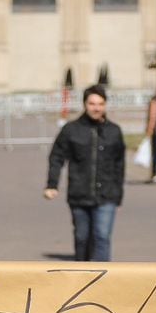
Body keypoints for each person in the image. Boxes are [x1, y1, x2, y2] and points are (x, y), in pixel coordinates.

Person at [44, 84, 125, 262]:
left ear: (105, 105)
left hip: (107, 195)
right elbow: (57, 156)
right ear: (85, 104)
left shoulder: (114, 131)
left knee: (102, 236)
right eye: (92, 104)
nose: (96, 108)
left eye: (100, 104)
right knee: (82, 237)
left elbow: (119, 165)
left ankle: (103, 278)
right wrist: (52, 184)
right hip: (79, 194)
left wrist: (118, 195)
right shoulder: (71, 130)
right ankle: (82, 273)